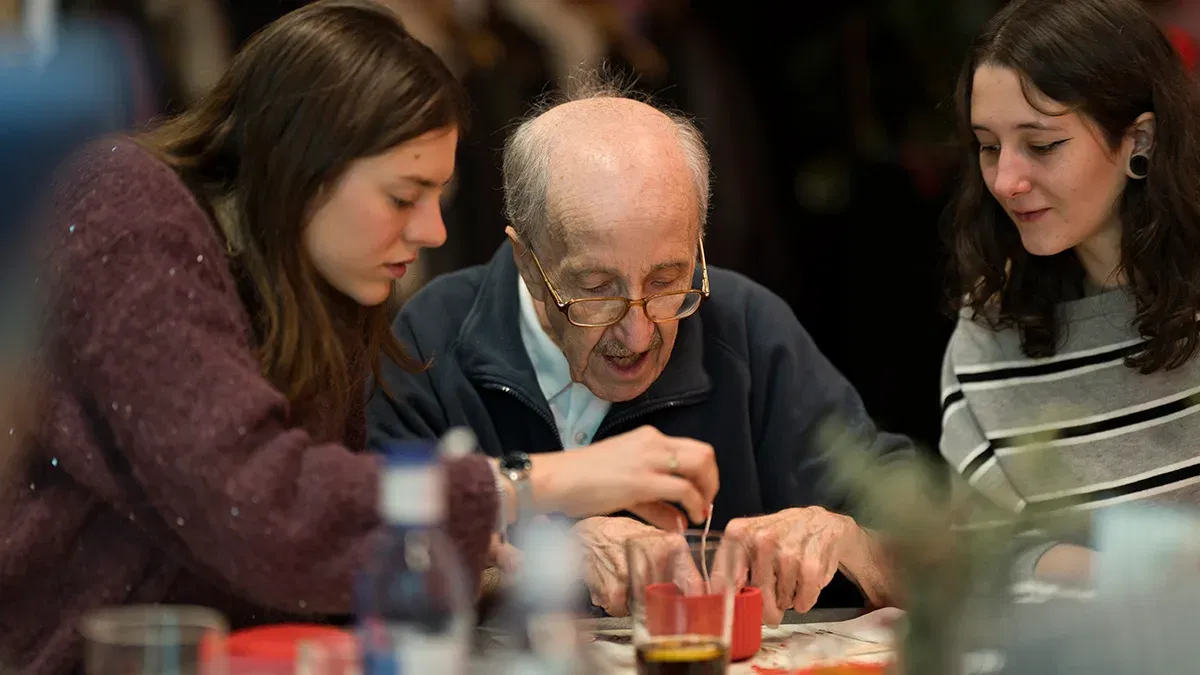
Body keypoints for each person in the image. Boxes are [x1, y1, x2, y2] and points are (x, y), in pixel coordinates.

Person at [0, 3, 719, 673]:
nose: (433, 231)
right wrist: (545, 483)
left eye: (440, 198)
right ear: (301, 164)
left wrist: (529, 553)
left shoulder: (323, 285)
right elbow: (264, 506)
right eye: (404, 196)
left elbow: (331, 555)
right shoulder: (125, 214)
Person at [368, 72, 911, 623]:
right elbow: (359, 566)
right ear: (528, 265)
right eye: (597, 290)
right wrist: (537, 564)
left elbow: (952, 552)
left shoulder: (747, 327)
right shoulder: (430, 339)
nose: (640, 333)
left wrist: (852, 542)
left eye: (666, 280)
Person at [940, 0, 1200, 583]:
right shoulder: (990, 329)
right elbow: (986, 554)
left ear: (1140, 140)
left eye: (1042, 144)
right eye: (988, 145)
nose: (1007, 180)